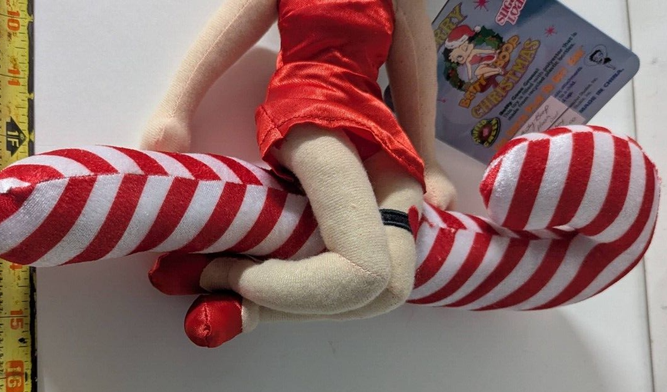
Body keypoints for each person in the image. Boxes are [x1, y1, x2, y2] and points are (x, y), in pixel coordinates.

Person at [141, 0, 457, 347]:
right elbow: (226, 31)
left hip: (379, 127)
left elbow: (417, 67)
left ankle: (247, 311)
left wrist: (428, 162)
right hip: (309, 107)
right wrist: (176, 108)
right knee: (366, 273)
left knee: (394, 287)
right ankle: (222, 273)